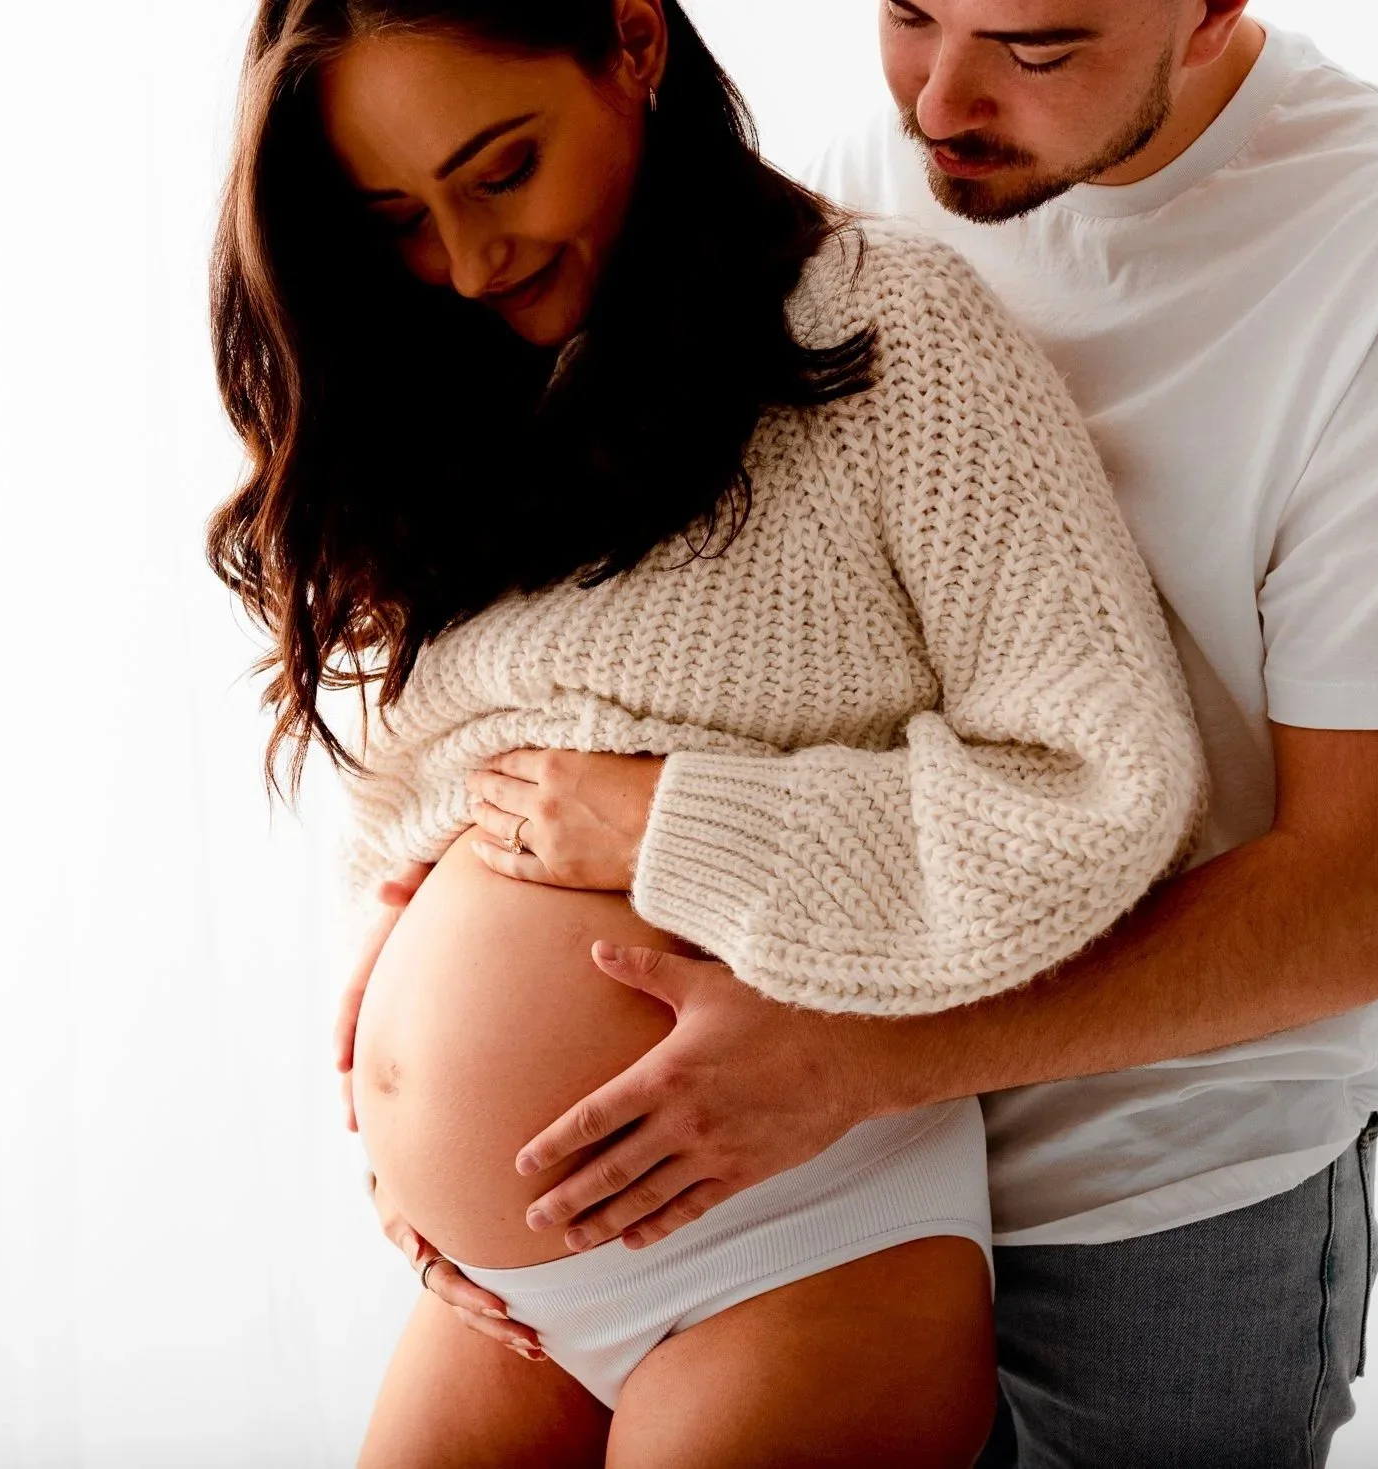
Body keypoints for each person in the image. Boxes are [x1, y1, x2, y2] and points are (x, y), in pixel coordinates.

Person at [398, 3, 1378, 1465]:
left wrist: (849, 1054)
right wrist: (409, 1017)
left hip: (1147, 1204)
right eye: (906, 12)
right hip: (718, 1172)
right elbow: (631, 657)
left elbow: (1356, 902)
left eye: (1035, 46)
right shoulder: (841, 189)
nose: (941, 98)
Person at [210, 1, 1206, 1463]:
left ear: (631, 41)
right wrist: (400, 983)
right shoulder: (461, 381)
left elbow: (1106, 789)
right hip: (503, 1295)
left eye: (500, 171)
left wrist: (677, 822)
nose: (471, 260)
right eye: (396, 218)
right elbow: (447, 769)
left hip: (794, 1251)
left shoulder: (888, 332)